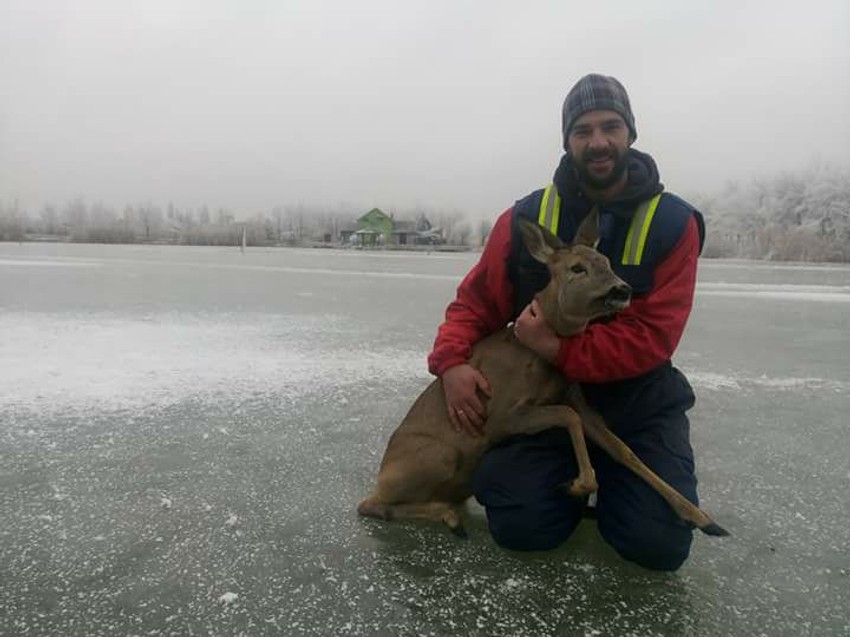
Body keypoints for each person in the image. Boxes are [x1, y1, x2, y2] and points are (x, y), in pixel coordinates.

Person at [427, 74, 705, 572]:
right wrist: (450, 362)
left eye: (610, 127)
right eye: (582, 130)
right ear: (567, 140)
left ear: (630, 133)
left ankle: (621, 484)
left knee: (656, 545)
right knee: (521, 525)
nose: (597, 142)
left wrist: (558, 348)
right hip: (546, 400)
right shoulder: (527, 217)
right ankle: (577, 480)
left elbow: (652, 337)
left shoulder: (672, 223)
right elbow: (475, 303)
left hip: (637, 403)